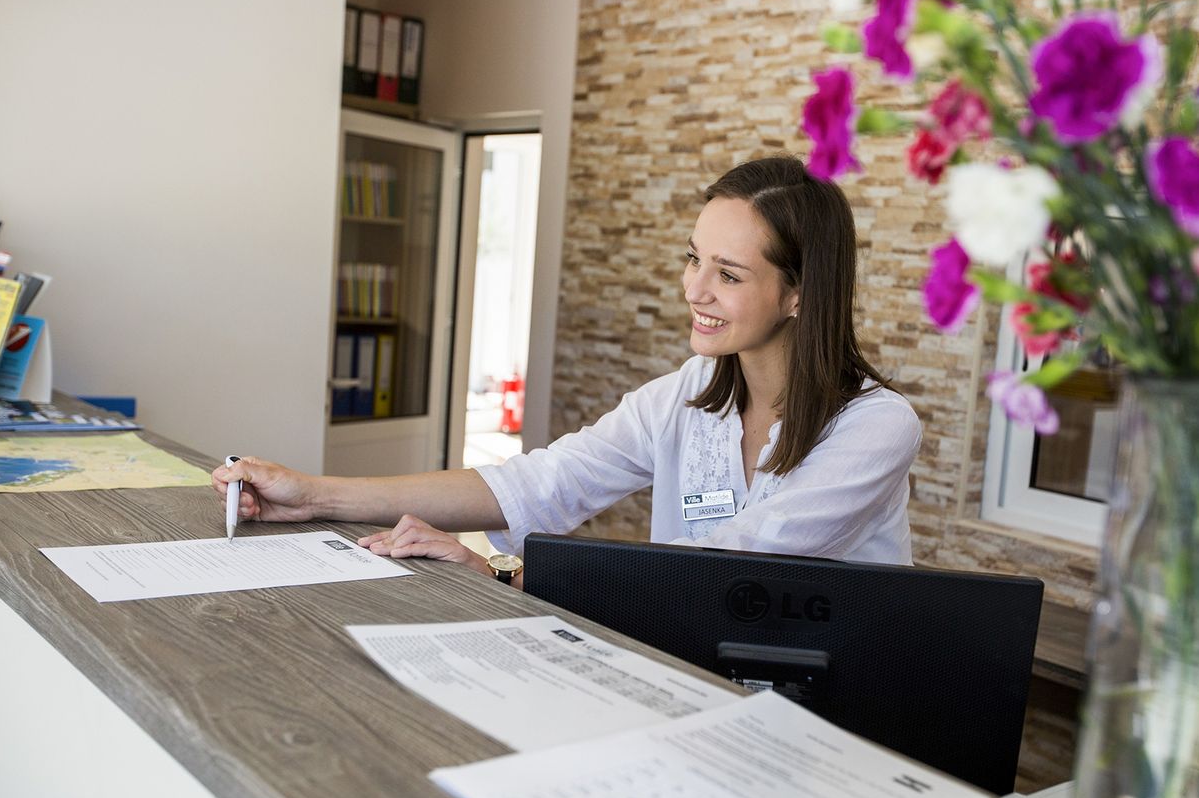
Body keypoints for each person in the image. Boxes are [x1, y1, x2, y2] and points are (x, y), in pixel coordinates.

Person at [213, 156, 922, 586]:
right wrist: (312, 496)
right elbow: (540, 481)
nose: (693, 289)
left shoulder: (877, 427)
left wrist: (511, 572)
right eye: (692, 257)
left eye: (727, 273)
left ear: (799, 292)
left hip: (834, 726)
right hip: (699, 685)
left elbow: (738, 562)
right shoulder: (687, 399)